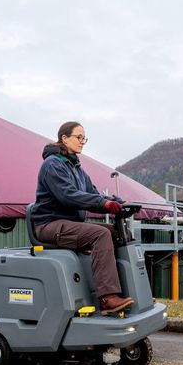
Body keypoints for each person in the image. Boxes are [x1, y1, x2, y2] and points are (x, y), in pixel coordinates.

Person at [30, 121, 133, 314]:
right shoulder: (52, 165)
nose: (82, 142)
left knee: (120, 232)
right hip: (50, 224)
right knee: (100, 235)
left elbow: (94, 193)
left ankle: (132, 290)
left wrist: (116, 202)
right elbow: (68, 196)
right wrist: (104, 205)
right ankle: (107, 298)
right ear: (64, 138)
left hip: (69, 224)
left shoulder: (76, 168)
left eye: (84, 138)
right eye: (79, 137)